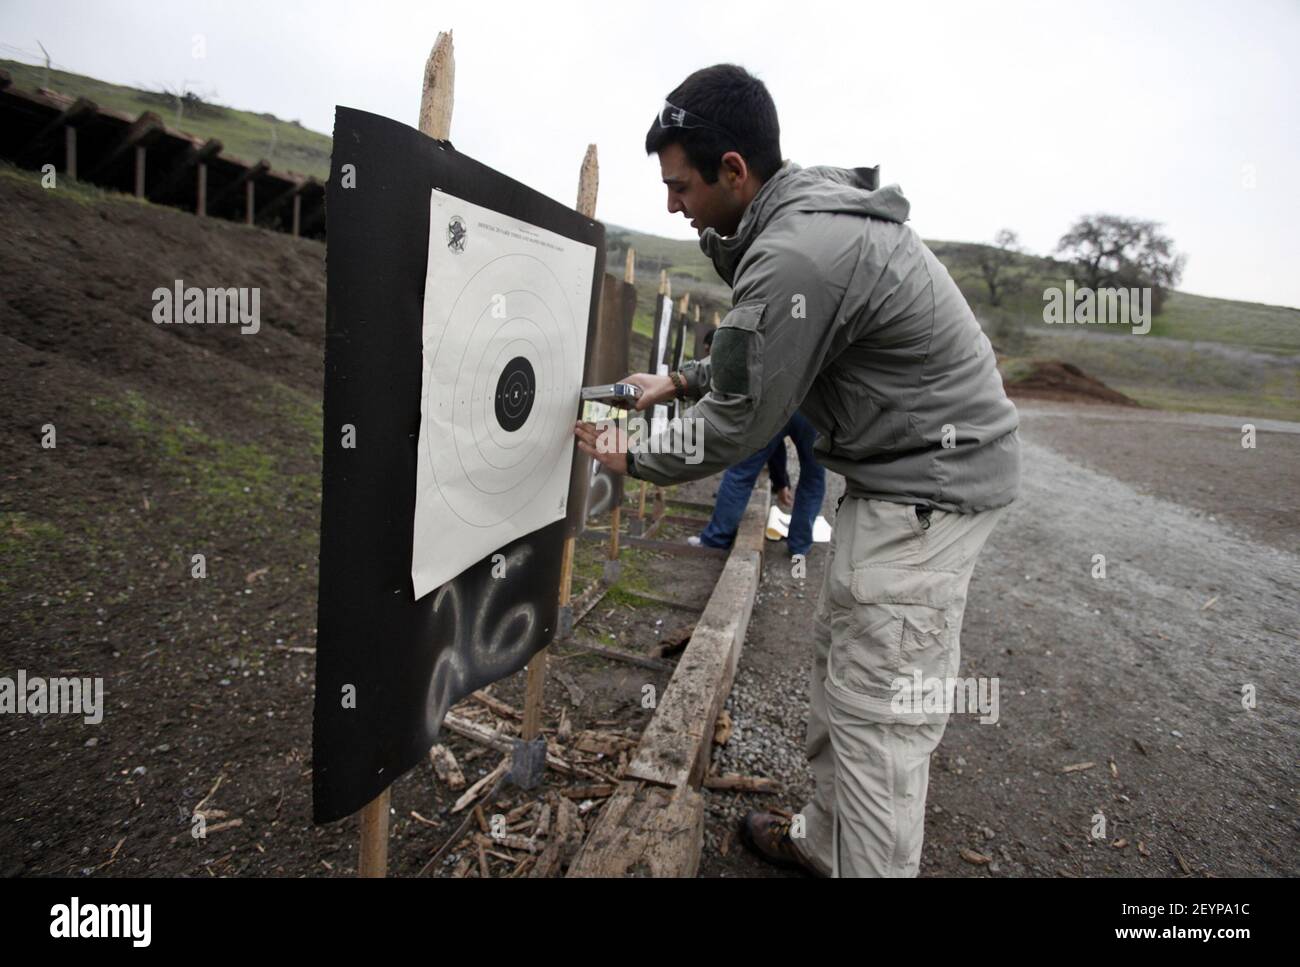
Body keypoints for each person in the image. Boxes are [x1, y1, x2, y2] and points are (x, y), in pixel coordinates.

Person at [573, 64, 1020, 878]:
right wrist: (673, 380)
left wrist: (631, 454)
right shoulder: (790, 216)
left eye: (680, 186)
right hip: (901, 476)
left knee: (877, 711)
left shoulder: (796, 254)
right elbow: (759, 347)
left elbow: (740, 421)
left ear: (734, 170)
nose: (671, 204)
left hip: (931, 486)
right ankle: (828, 844)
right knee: (840, 662)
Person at [690, 411, 824, 555]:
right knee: (813, 479)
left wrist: (780, 482)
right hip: (814, 408)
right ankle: (800, 545)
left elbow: (774, 440)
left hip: (773, 402)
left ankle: (716, 539)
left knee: (741, 473)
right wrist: (780, 482)